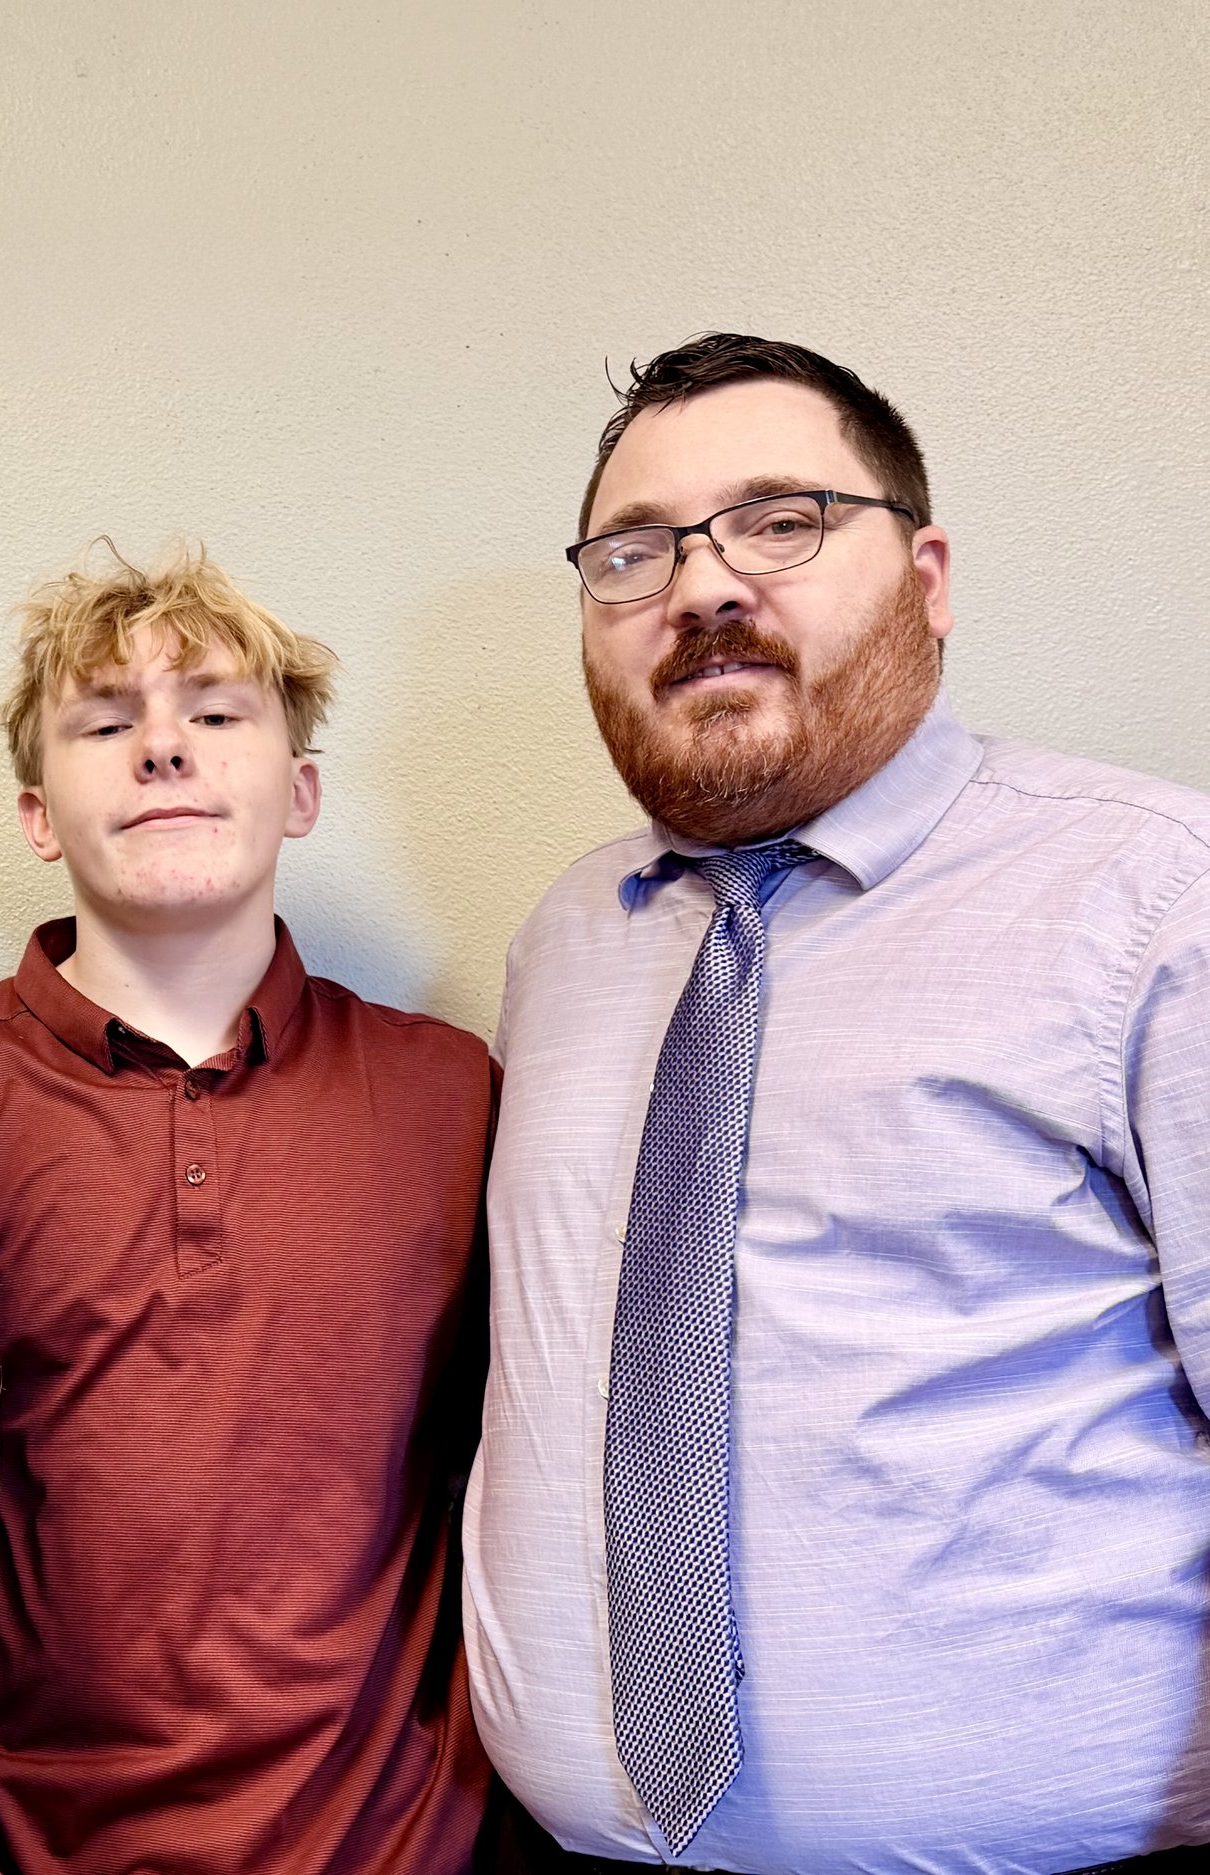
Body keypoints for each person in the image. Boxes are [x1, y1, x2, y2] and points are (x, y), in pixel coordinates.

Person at [468, 333, 1210, 1874]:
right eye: (634, 553)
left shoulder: (1153, 900)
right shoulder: (567, 942)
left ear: (926, 577)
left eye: (780, 522)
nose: (701, 586)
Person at [0, 545, 497, 1874]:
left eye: (216, 714)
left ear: (302, 792)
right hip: (10, 1848)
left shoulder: (453, 1097)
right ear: (38, 814)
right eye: (106, 724)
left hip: (394, 1846)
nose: (164, 748)